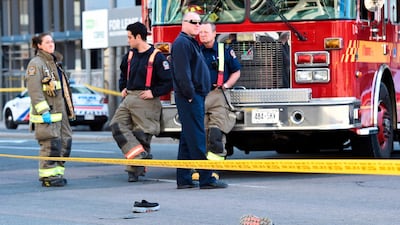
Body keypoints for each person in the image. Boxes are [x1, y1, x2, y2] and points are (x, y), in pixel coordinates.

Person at [170, 12, 227, 189]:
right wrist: (189, 95)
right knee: (198, 137)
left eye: (199, 22)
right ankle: (206, 178)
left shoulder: (189, 42)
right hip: (190, 97)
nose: (197, 25)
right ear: (183, 23)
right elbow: (182, 73)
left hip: (195, 96)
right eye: (193, 22)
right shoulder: (182, 44)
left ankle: (184, 179)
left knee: (188, 138)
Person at [110, 22, 172, 182]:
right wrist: (123, 87)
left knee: (141, 135)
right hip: (129, 98)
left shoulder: (157, 57)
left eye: (130, 37)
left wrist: (154, 92)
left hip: (147, 101)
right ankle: (140, 156)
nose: (128, 40)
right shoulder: (129, 55)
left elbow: (168, 82)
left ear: (139, 37)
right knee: (116, 125)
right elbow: (123, 74)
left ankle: (134, 171)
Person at [25, 32, 75, 187]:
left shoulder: (54, 64)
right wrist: (43, 111)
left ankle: (57, 173)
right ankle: (48, 177)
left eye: (52, 42)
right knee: (50, 145)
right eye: (47, 42)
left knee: (65, 143)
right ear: (39, 45)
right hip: (49, 114)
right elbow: (35, 91)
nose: (51, 44)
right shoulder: (36, 64)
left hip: (61, 114)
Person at [199, 22, 241, 160]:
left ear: (214, 33)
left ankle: (215, 168)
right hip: (201, 95)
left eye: (206, 32)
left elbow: (236, 72)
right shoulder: (197, 52)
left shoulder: (225, 50)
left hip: (218, 95)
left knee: (215, 134)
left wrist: (227, 85)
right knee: (203, 134)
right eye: (201, 32)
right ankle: (204, 169)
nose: (203, 35)